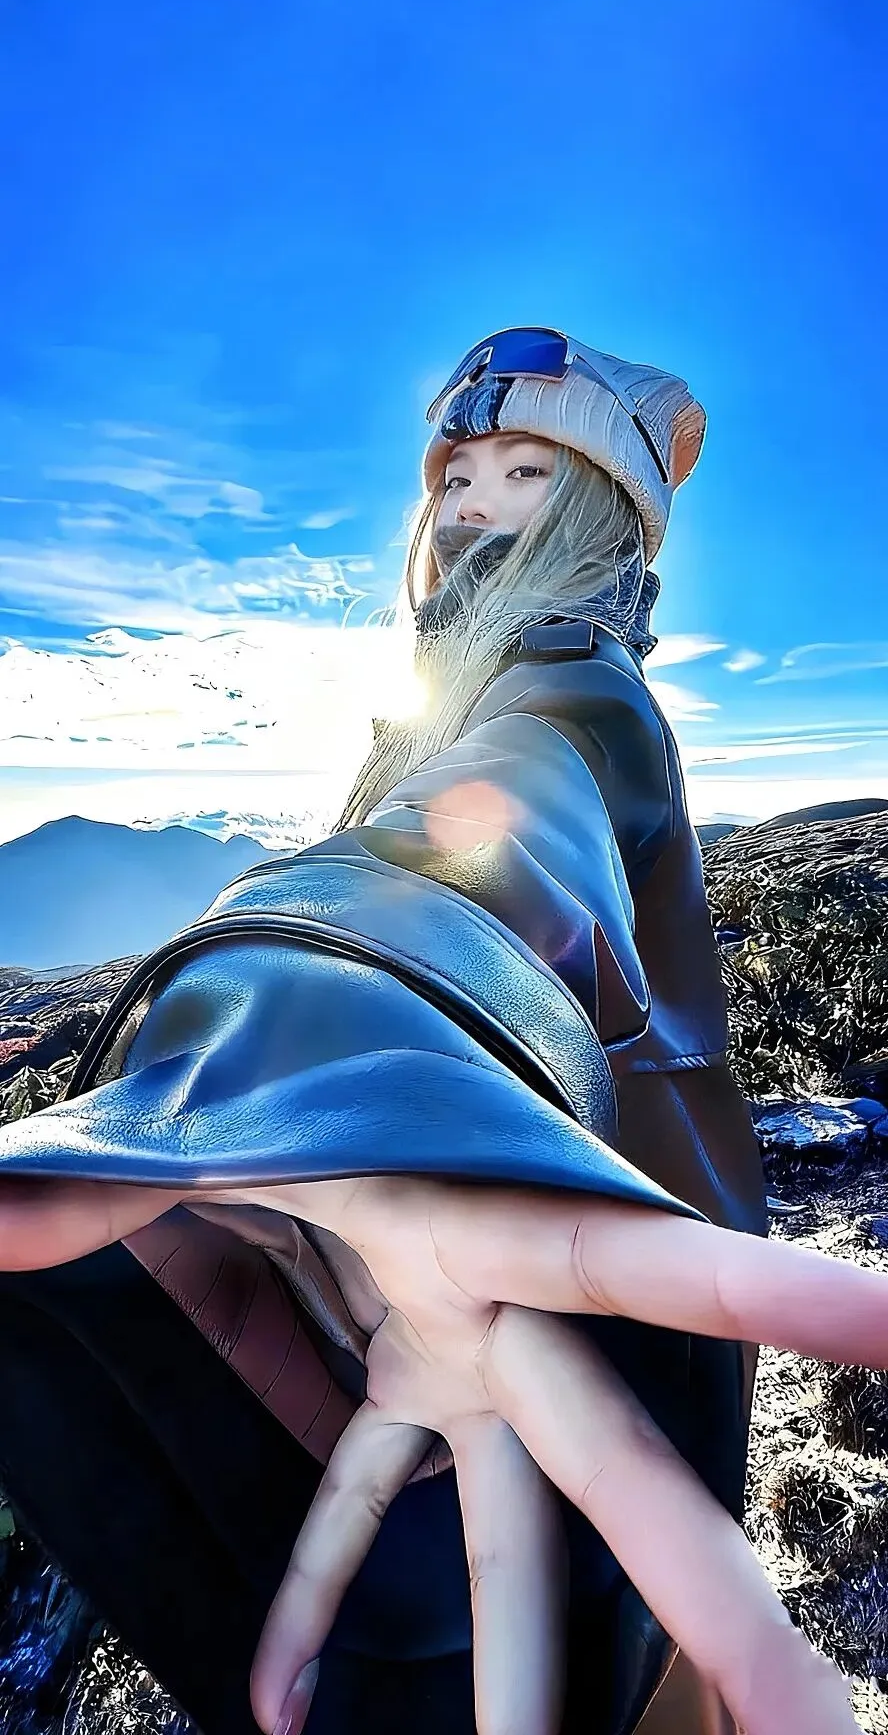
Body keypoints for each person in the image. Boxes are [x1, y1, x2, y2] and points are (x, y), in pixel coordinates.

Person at [0, 328, 874, 1735]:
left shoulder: (577, 689)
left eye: (527, 472)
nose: (473, 504)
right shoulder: (450, 705)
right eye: (457, 476)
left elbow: (490, 841)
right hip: (546, 1269)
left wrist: (317, 1020)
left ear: (600, 515)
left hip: (582, 1263)